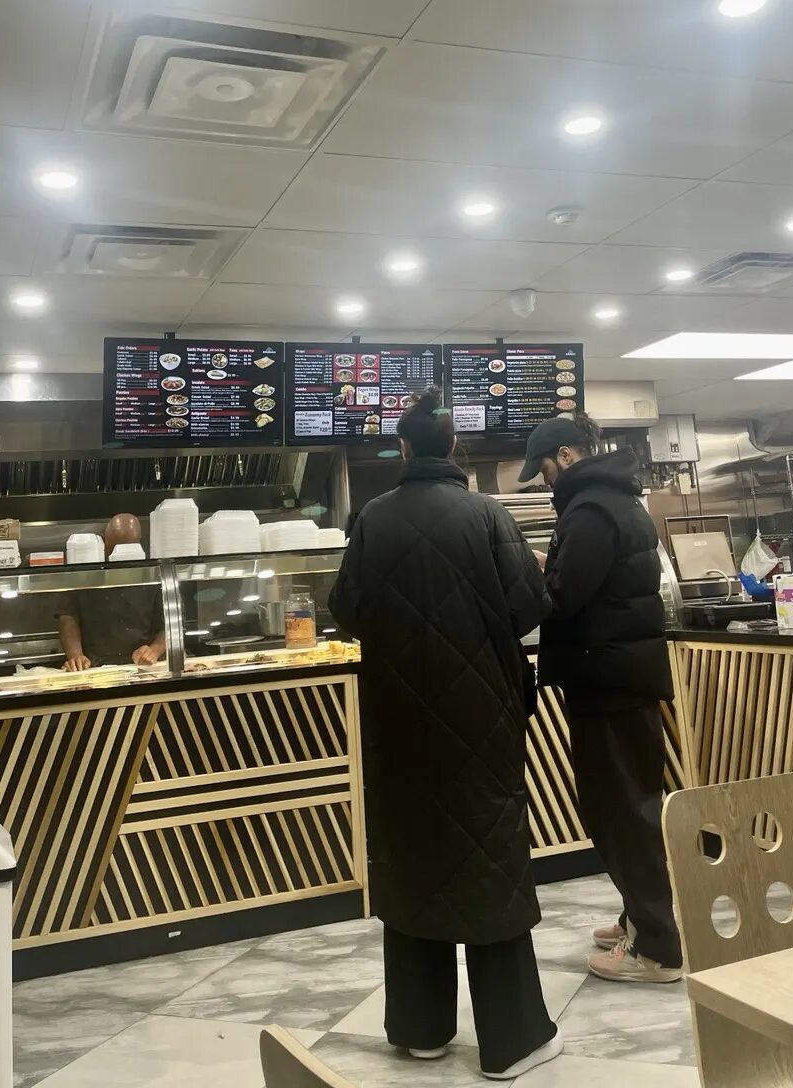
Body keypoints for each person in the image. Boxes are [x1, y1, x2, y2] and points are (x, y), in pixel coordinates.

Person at [329, 390, 560, 1080]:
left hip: (398, 718)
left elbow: (348, 610)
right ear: (453, 447)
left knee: (413, 859)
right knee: (488, 858)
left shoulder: (373, 517)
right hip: (481, 717)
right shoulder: (487, 514)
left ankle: (421, 1029)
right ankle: (512, 1041)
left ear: (402, 449)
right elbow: (529, 606)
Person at [519, 411, 683, 984]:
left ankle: (656, 950)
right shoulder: (618, 501)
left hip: (608, 680)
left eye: (543, 469)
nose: (544, 481)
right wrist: (553, 565)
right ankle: (641, 918)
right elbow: (595, 582)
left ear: (565, 456)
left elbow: (563, 598)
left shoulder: (589, 509)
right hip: (621, 676)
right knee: (628, 805)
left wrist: (526, 574)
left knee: (621, 812)